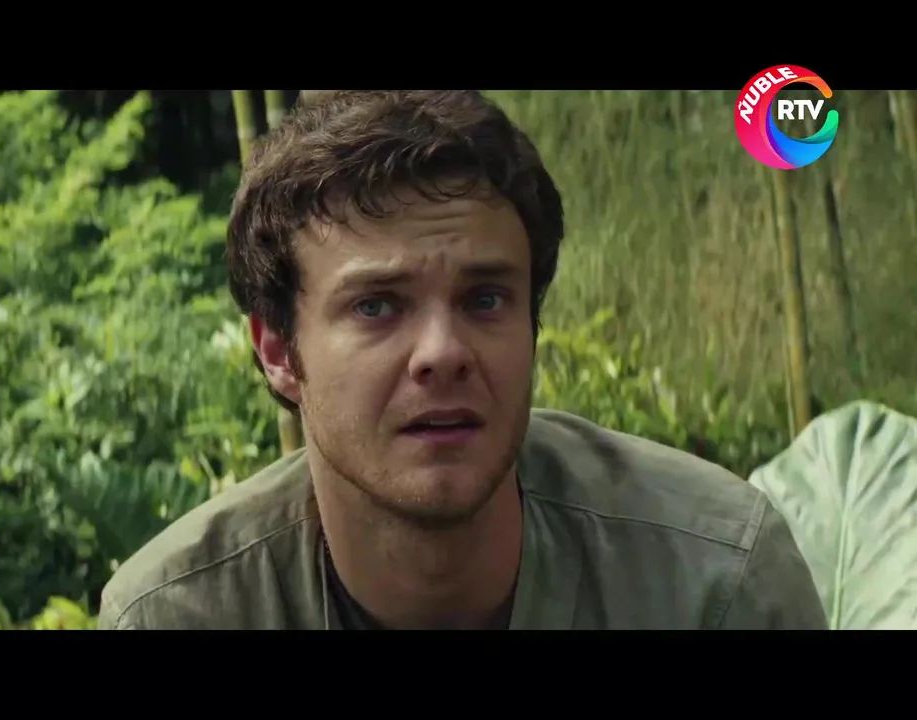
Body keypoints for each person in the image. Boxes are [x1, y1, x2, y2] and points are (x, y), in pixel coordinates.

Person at [97, 90, 828, 630]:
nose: (443, 353)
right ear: (280, 350)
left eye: (484, 299)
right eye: (377, 306)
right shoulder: (177, 616)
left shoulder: (714, 584)